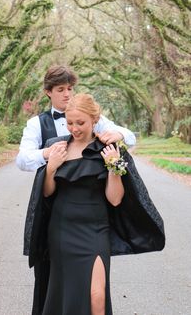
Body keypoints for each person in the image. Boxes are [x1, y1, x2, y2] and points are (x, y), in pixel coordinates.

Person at [24, 94, 165, 315]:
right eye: (70, 123)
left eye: (80, 123)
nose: (74, 128)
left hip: (95, 229)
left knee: (97, 296)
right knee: (65, 293)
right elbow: (47, 193)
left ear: (94, 120)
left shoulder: (108, 149)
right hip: (62, 229)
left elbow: (115, 199)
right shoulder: (57, 146)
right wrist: (51, 167)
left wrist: (113, 167)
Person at [16, 65, 136, 172]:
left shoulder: (90, 116)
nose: (67, 94)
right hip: (54, 191)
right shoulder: (36, 123)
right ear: (48, 92)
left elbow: (130, 137)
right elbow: (21, 160)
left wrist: (119, 134)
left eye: (69, 88)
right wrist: (46, 153)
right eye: (60, 89)